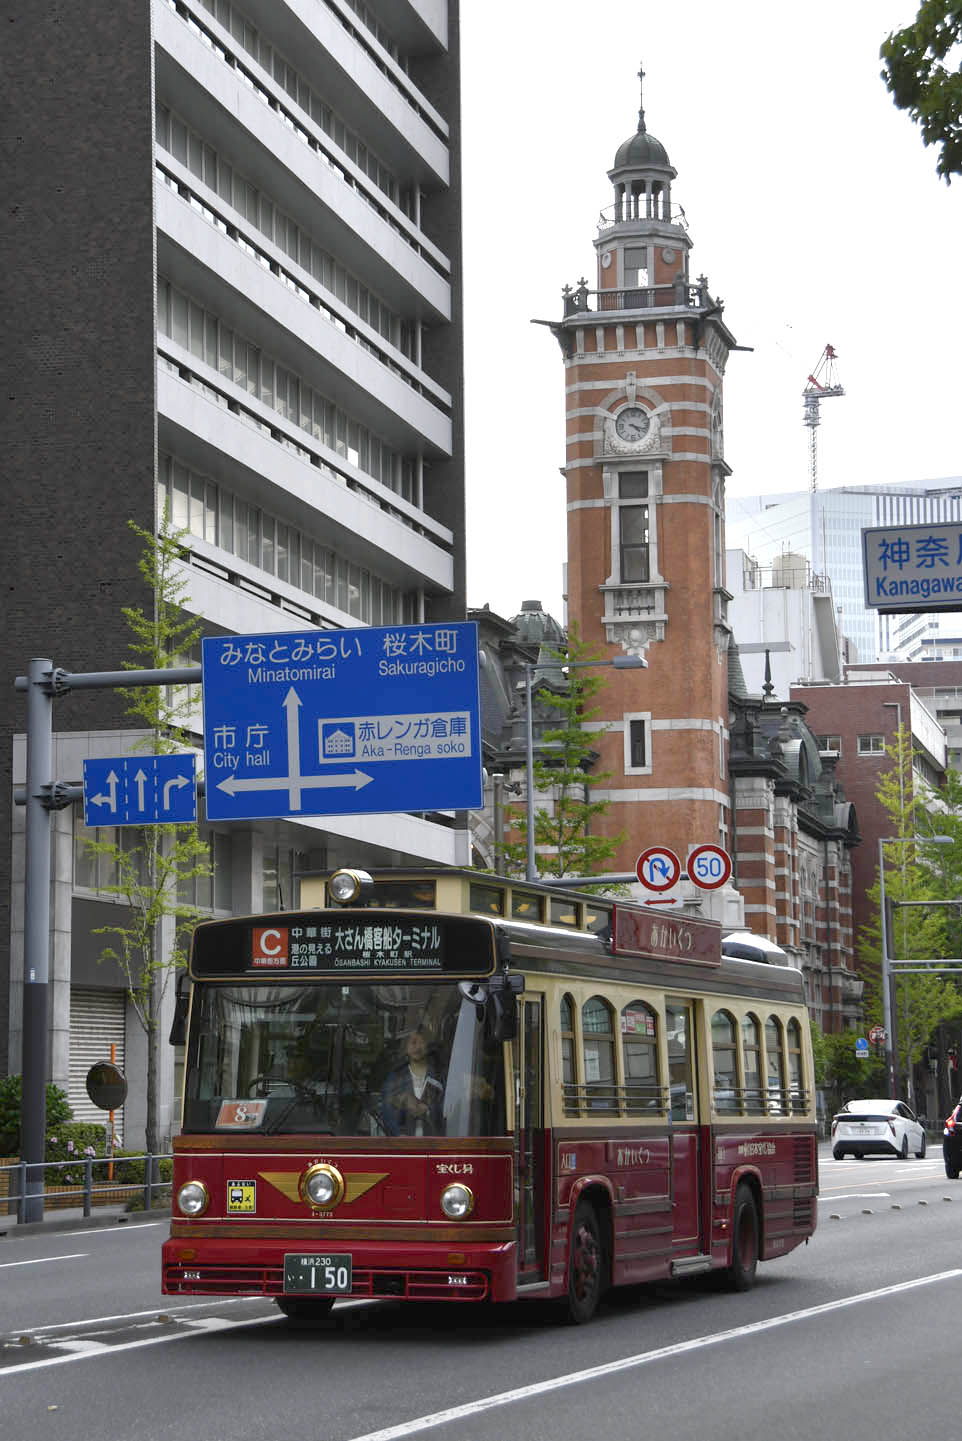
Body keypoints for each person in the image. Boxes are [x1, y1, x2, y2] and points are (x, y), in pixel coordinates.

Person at [381, 1030, 444, 1136]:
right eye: (413, 1043)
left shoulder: (439, 1075)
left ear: (428, 1046)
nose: (417, 1047)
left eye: (421, 1042)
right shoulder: (395, 1077)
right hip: (405, 1145)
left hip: (435, 1144)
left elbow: (449, 1107)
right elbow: (387, 1111)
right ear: (406, 1048)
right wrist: (399, 1135)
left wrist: (428, 1110)